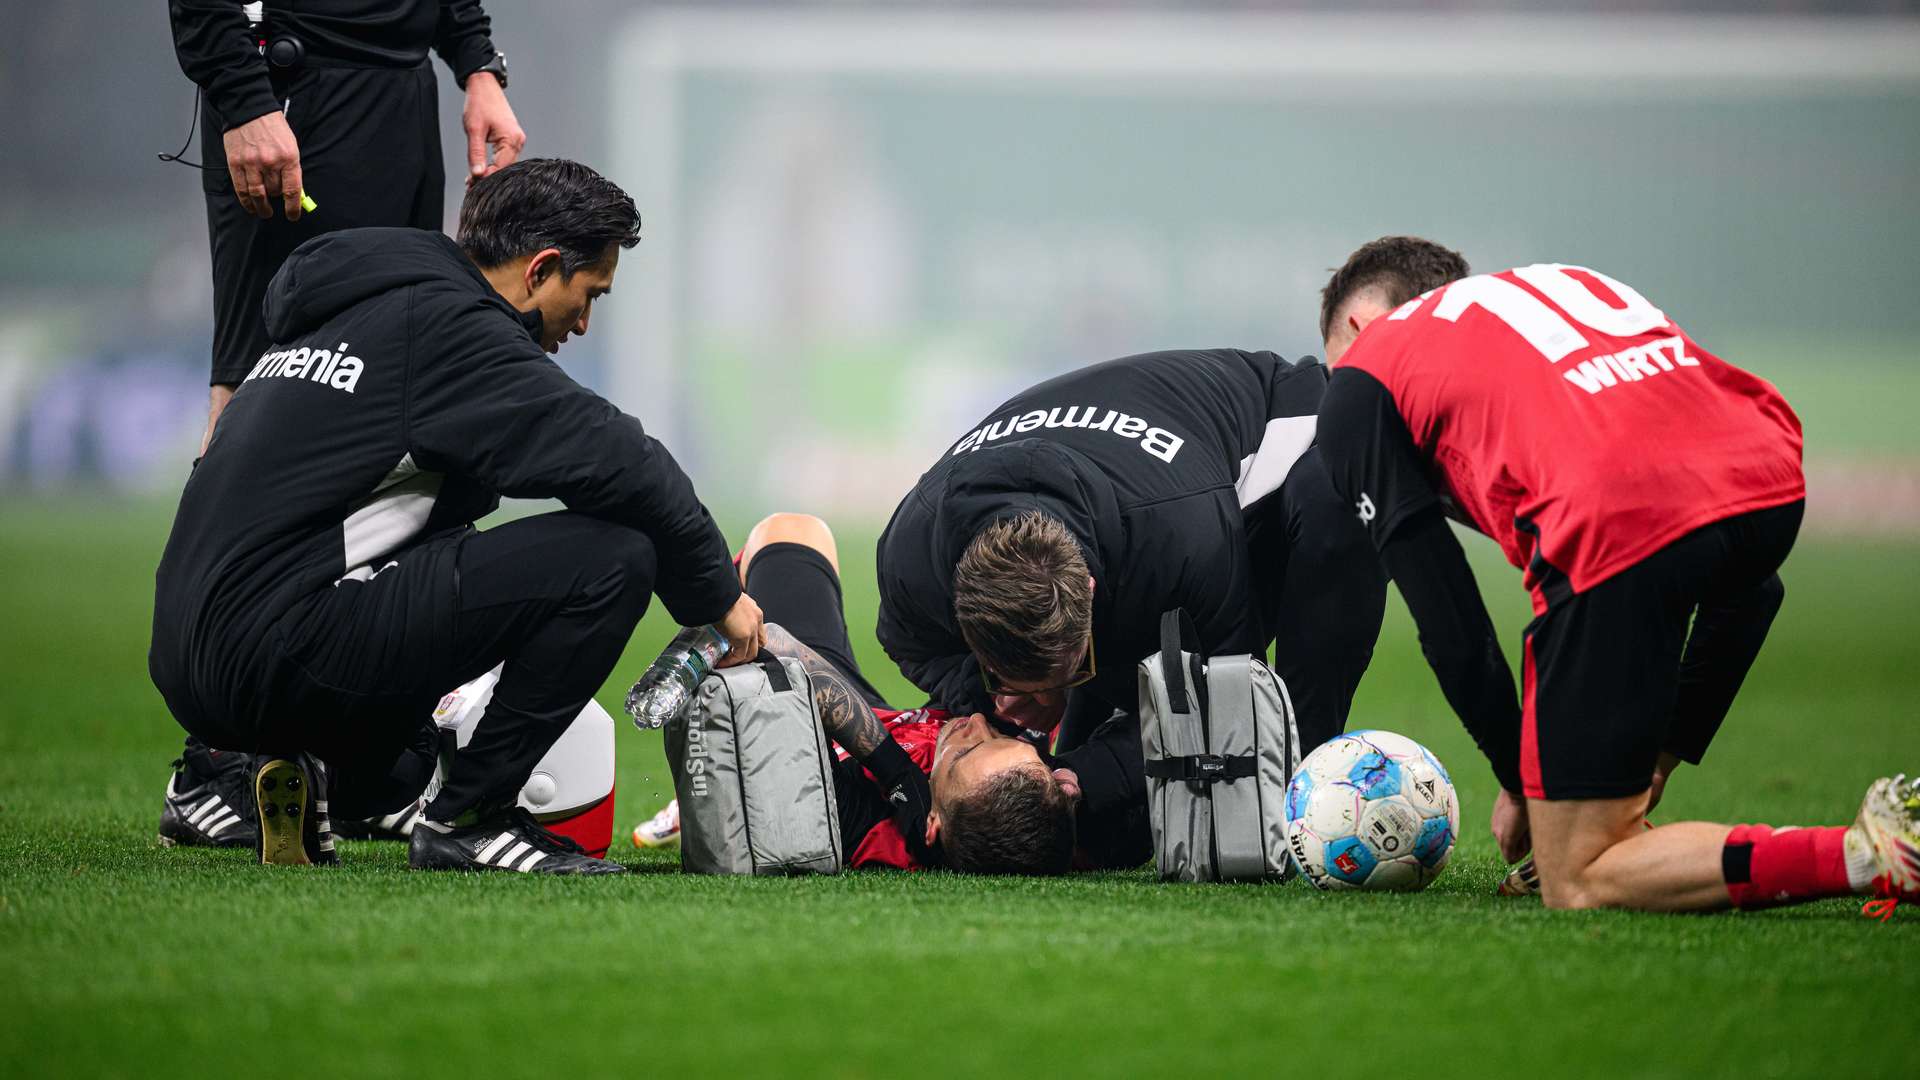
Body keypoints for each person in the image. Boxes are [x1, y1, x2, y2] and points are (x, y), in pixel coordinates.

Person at [148, 158, 765, 874]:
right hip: (274, 648)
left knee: (410, 757)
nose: (586, 323)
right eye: (589, 293)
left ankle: (253, 774)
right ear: (540, 269)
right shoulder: (454, 332)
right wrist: (720, 598)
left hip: (190, 655)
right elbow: (626, 461)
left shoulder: (357, 305)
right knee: (615, 558)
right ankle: (471, 819)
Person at [1312, 235, 1920, 912]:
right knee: (1607, 799)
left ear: (1360, 328)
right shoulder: (1557, 285)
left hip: (1616, 517)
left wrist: (1523, 783)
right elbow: (1751, 586)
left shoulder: (1363, 380)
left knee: (1577, 875)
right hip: (1770, 468)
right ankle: (1623, 814)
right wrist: (1655, 759)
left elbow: (1451, 619)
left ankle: (1869, 851)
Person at [161, 0, 527, 849]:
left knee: (384, 405)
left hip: (400, 101)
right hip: (292, 92)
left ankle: (351, 755)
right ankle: (213, 757)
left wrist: (475, 64)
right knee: (267, 389)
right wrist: (243, 96)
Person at [873, 351, 1388, 867]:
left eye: (1069, 673)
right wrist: (981, 691)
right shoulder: (913, 558)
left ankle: (1308, 795)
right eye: (1011, 678)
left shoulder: (1187, 543)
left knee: (1335, 515)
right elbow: (912, 646)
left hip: (1298, 449)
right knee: (1090, 828)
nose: (1044, 700)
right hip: (1121, 515)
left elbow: (1233, 701)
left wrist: (1101, 769)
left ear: (1090, 591)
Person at [637, 512, 1076, 875]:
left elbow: (775, 643)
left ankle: (717, 788)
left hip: (797, 733)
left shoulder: (855, 827)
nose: (978, 725)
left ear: (931, 825)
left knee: (752, 610)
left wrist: (895, 771)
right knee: (797, 529)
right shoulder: (1030, 801)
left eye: (965, 752)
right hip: (881, 715)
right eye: (1000, 741)